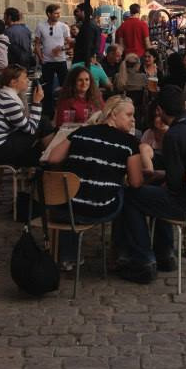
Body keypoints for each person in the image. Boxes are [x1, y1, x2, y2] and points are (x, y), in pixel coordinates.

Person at [116, 85, 186, 284]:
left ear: (159, 111)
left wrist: (156, 178)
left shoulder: (173, 135)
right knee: (156, 194)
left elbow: (174, 186)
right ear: (184, 105)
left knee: (130, 195)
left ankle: (143, 259)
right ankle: (165, 254)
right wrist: (160, 175)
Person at [44, 96, 145, 269]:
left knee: (76, 189)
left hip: (66, 207)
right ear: (113, 114)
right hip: (100, 208)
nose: (133, 119)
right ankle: (120, 252)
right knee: (126, 192)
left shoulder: (82, 132)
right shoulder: (130, 143)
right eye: (129, 115)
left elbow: (53, 158)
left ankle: (68, 257)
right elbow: (136, 182)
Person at [0, 65, 46, 167]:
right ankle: (51, 166)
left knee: (36, 144)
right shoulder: (8, 101)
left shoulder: (2, 95)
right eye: (25, 78)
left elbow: (23, 123)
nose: (28, 81)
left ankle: (43, 164)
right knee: (43, 123)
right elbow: (31, 129)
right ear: (13, 82)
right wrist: (37, 102)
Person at [34, 4, 72, 117]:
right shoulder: (41, 26)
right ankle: (48, 113)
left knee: (65, 87)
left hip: (61, 61)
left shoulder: (64, 27)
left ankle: (66, 110)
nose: (58, 15)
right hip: (47, 62)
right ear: (49, 14)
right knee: (47, 88)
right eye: (56, 13)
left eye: (59, 13)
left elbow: (69, 43)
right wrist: (41, 58)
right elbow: (36, 45)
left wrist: (62, 48)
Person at [71, 3, 101, 69]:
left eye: (78, 11)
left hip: (83, 61)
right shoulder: (90, 24)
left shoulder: (88, 25)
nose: (76, 14)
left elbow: (89, 44)